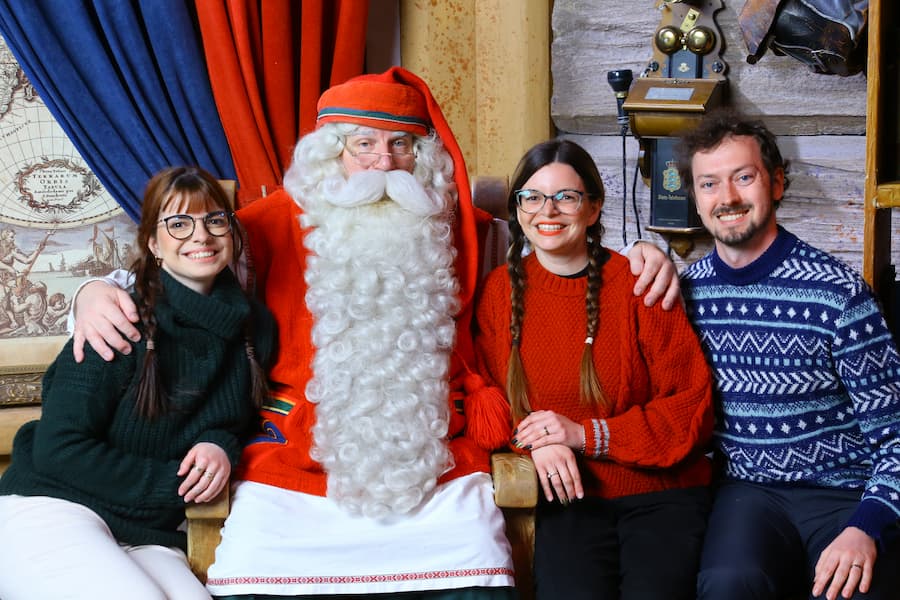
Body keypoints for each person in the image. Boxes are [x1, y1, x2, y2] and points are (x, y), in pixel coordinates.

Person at [69, 68, 680, 598]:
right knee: (254, 565)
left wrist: (640, 252)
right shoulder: (265, 226)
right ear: (332, 152)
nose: (384, 163)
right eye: (364, 144)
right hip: (298, 453)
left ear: (425, 157)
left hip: (436, 452)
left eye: (400, 146)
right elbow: (183, 256)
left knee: (473, 559)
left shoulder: (469, 230)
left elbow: (557, 242)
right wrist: (97, 290)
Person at [0, 166, 275, 600]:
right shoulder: (118, 321)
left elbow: (230, 417)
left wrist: (218, 445)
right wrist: (175, 485)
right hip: (53, 505)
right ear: (153, 243)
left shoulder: (253, 328)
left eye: (214, 220)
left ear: (232, 232)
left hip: (148, 528)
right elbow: (58, 449)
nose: (200, 236)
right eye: (179, 223)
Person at [474, 139, 715, 600]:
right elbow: (489, 399)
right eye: (533, 197)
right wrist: (532, 443)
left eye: (567, 196)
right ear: (519, 208)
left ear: (593, 207)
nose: (549, 210)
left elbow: (690, 411)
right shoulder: (498, 293)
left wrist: (583, 436)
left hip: (662, 494)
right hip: (571, 498)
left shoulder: (640, 283)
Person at [676, 109, 900, 600]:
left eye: (744, 177)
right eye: (709, 184)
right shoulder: (683, 294)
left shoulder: (839, 296)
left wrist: (868, 525)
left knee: (857, 590)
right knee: (728, 584)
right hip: (748, 493)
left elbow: (896, 435)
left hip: (844, 492)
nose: (728, 198)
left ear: (776, 183)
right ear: (694, 198)